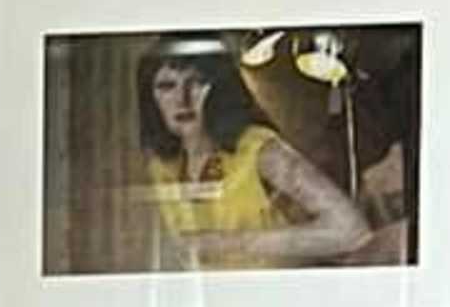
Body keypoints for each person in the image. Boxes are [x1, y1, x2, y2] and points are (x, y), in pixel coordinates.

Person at [135, 36, 368, 269]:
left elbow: (351, 230)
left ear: (220, 88)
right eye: (166, 86)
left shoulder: (259, 149)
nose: (182, 99)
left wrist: (229, 243)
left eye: (197, 82)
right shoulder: (162, 167)